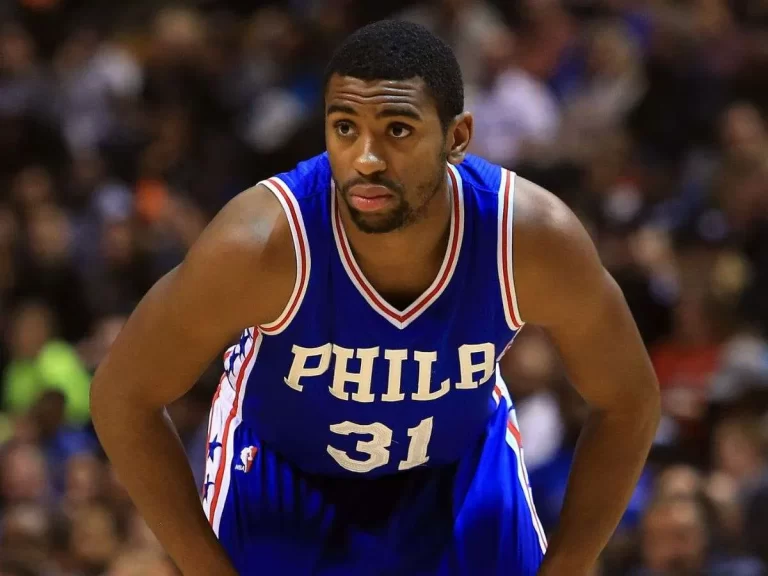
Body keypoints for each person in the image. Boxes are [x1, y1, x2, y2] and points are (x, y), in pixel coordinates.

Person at [90, 20, 661, 576]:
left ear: (457, 138)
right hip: (286, 476)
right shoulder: (261, 244)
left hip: (457, 467)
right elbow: (123, 396)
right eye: (345, 128)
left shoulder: (527, 239)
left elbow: (629, 400)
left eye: (398, 130)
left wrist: (568, 566)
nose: (365, 158)